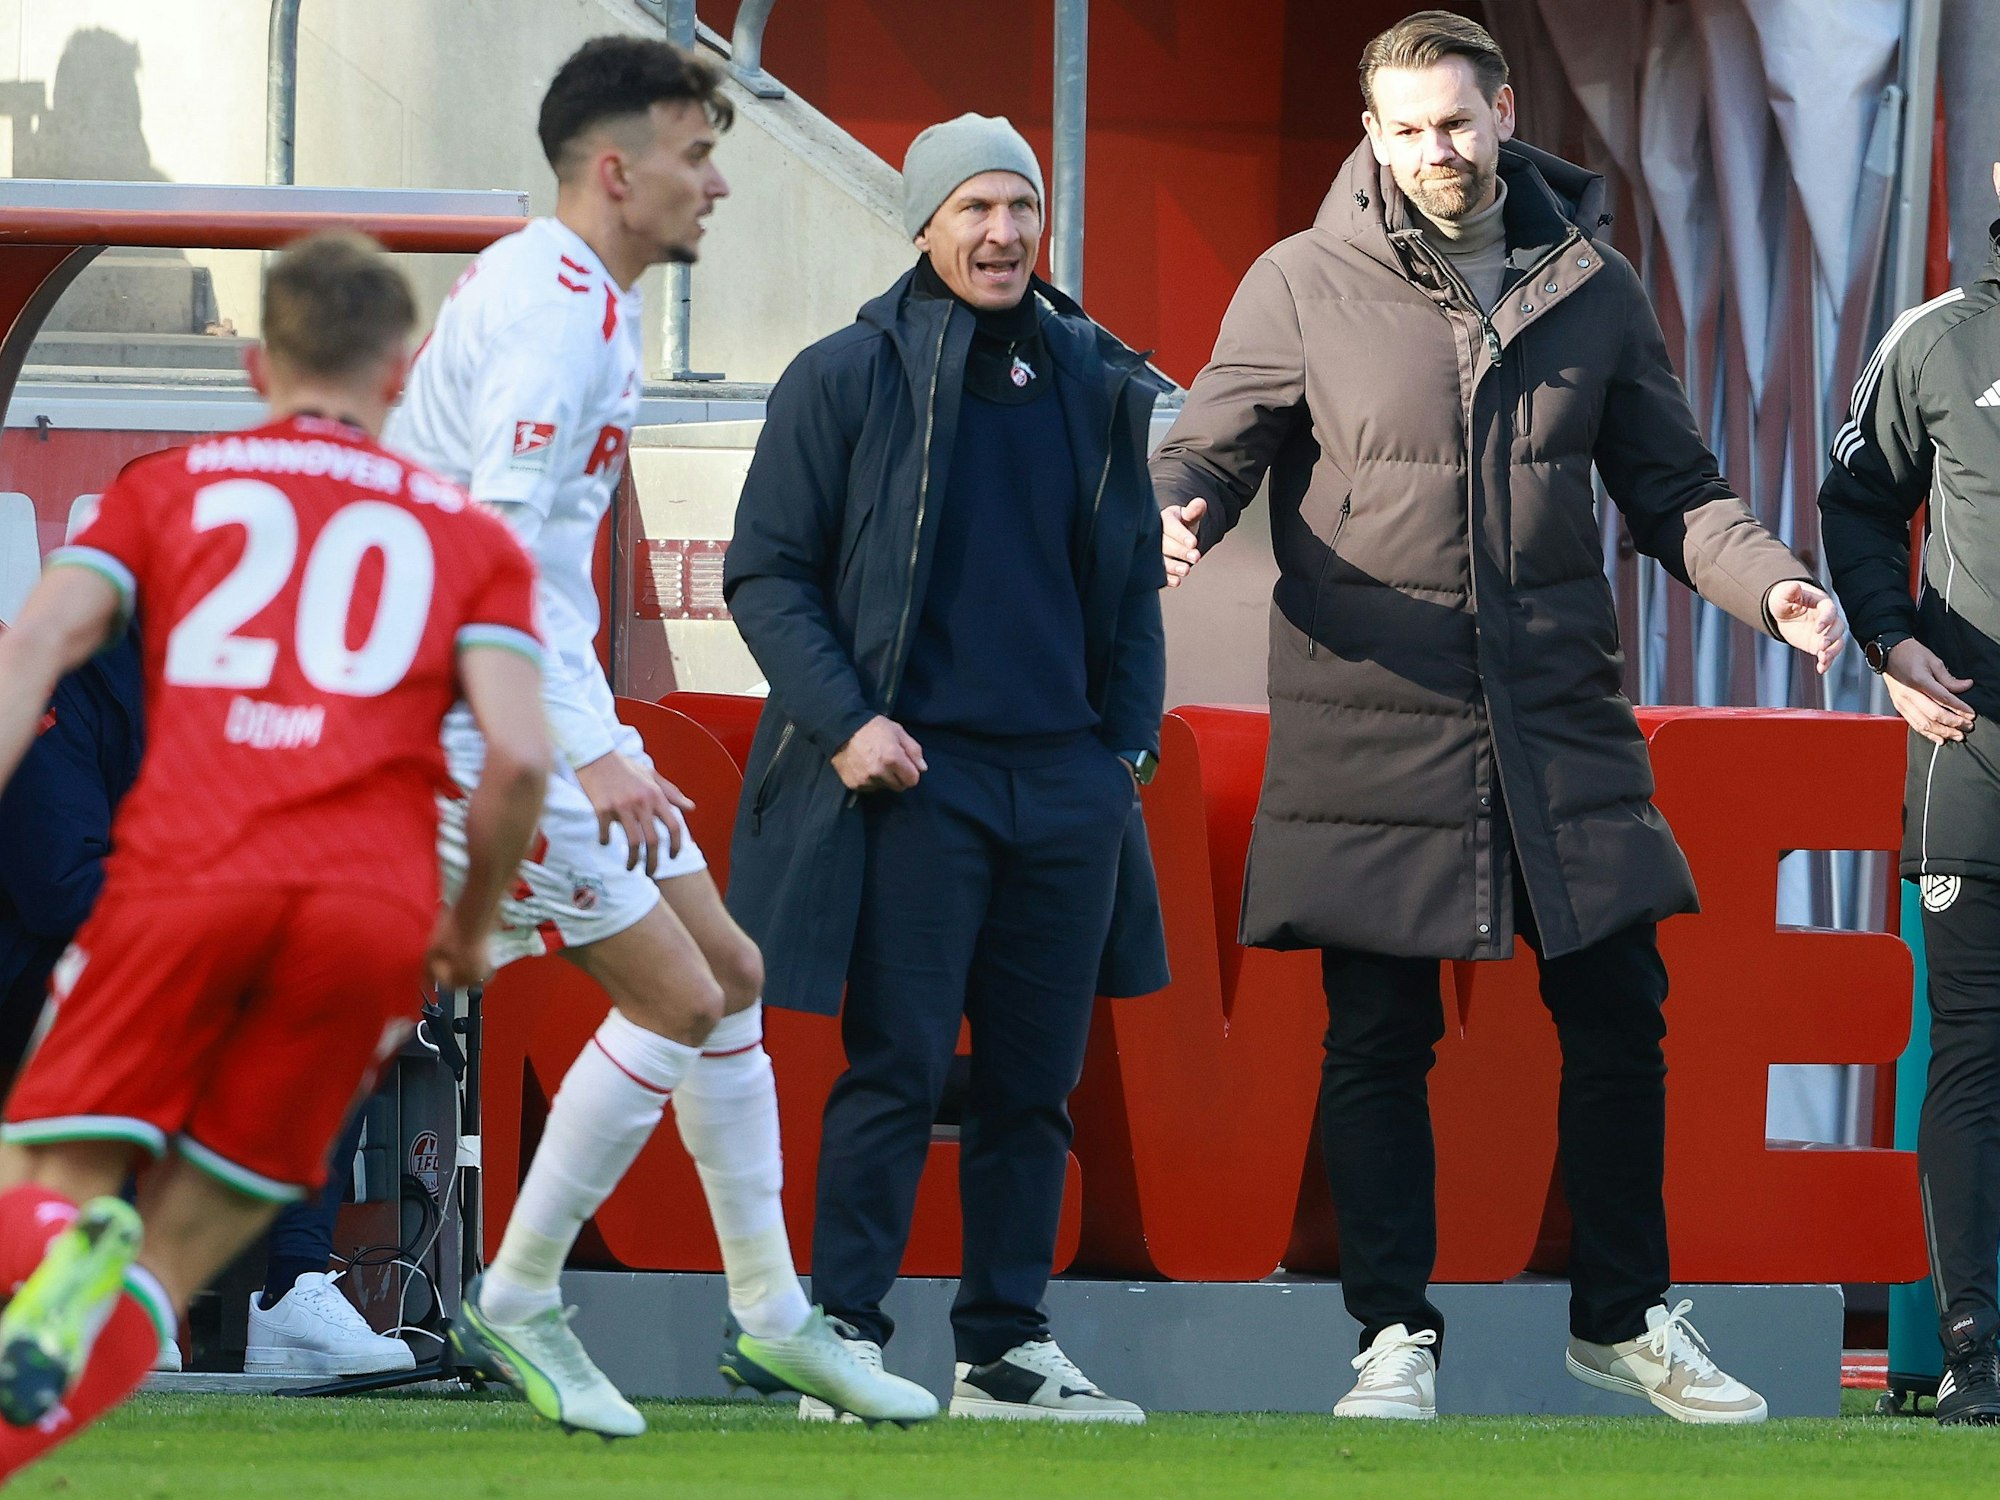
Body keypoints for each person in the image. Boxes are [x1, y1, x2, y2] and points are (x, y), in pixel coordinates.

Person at [1150, 11, 1844, 1425]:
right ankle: (1392, 1337)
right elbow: (1212, 441)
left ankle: (1624, 1319)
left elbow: (1680, 494)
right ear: (1371, 137)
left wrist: (1772, 589)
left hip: (1555, 715)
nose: (1436, 152)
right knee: (1377, 1035)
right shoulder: (1297, 283)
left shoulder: (1592, 283)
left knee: (1619, 1010)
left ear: (1505, 109)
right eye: (1406, 130)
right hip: (1372, 714)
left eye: (1456, 122)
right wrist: (1181, 509)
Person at [384, 36, 935, 1435]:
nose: (720, 187)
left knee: (731, 972)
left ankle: (772, 1318)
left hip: (528, 703)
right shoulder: (558, 319)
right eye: (698, 156)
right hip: (480, 722)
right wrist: (589, 745)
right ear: (618, 170)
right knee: (681, 998)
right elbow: (490, 557)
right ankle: (517, 1294)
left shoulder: (572, 291)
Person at [0, 230, 551, 1479]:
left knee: (50, 1177)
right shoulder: (465, 534)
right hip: (355, 917)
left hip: (185, 892)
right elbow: (517, 760)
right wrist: (466, 925)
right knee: (187, 1242)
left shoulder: (170, 494)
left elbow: (29, 650)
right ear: (402, 373)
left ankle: (65, 1255)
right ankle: (131, 1298)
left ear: (258, 366)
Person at [725, 112, 1171, 1423]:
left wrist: (1124, 751)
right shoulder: (845, 375)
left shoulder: (1097, 376)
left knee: (1037, 1085)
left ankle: (1005, 1349)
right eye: (974, 209)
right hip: (914, 784)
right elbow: (767, 572)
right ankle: (846, 1337)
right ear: (921, 223)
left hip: (1067, 786)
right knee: (897, 1069)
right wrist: (850, 723)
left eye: (1020, 208)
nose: (1001, 234)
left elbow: (1132, 588)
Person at [0, 626, 410, 1381]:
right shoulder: (58, 673)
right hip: (42, 976)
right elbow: (58, 888)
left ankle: (292, 1292)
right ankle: (109, 1286)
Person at [1819, 160, 2000, 1428]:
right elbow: (1857, 498)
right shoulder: (1937, 338)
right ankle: (1972, 1353)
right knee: (1975, 1050)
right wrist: (1885, 644)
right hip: (1971, 752)